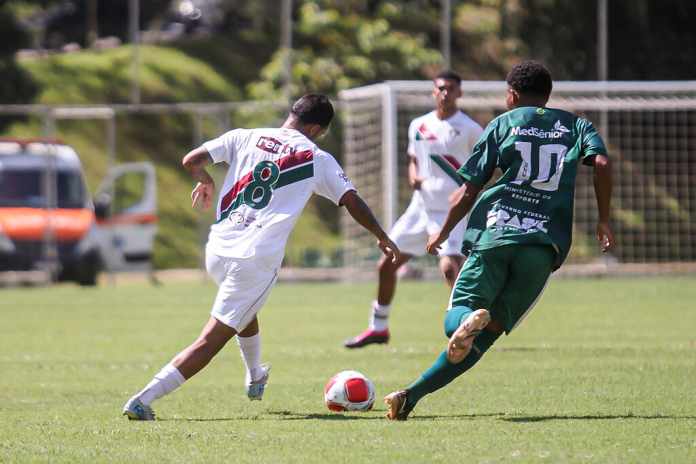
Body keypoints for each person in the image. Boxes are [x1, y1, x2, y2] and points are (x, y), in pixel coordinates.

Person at [122, 94, 400, 420]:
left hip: (219, 250)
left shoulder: (244, 136)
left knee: (244, 308)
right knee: (210, 341)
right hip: (254, 258)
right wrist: (382, 235)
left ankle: (255, 374)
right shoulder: (315, 157)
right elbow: (352, 201)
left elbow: (191, 160)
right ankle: (143, 399)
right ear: (316, 128)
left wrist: (205, 180)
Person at [383, 61, 615, 420]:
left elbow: (469, 188)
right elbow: (600, 163)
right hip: (543, 245)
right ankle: (410, 396)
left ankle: (462, 322)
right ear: (548, 94)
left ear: (512, 95)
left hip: (496, 233)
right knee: (487, 335)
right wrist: (603, 219)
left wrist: (443, 232)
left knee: (456, 314)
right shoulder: (575, 124)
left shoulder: (503, 123)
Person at [344, 70, 484, 349]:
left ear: (459, 93)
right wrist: (413, 174)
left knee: (449, 268)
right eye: (441, 88)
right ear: (434, 92)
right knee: (386, 263)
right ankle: (378, 328)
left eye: (451, 89)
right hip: (420, 208)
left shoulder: (470, 129)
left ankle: (466, 328)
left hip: (450, 211)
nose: (445, 93)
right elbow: (413, 157)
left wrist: (469, 188)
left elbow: (483, 167)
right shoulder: (419, 125)